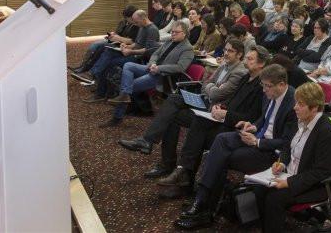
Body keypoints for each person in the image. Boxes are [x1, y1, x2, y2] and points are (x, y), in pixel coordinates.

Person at [174, 64, 297, 229]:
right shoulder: (269, 93)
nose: (264, 91)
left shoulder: (294, 104)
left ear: (282, 84)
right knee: (221, 140)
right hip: (256, 137)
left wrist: (257, 142)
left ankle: (204, 207)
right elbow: (264, 118)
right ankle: (202, 201)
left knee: (222, 158)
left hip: (272, 152)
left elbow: (288, 142)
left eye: (267, 86)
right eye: (263, 86)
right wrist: (252, 125)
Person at [117, 38, 247, 176]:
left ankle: (152, 148)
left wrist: (211, 87)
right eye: (225, 50)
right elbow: (205, 84)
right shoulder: (224, 66)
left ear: (239, 55)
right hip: (205, 101)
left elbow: (216, 94)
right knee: (173, 103)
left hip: (214, 112)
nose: (226, 53)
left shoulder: (239, 72)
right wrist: (211, 87)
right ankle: (156, 152)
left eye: (230, 51)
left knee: (171, 114)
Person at [157, 46, 271, 197]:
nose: (245, 61)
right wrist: (221, 106)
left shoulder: (262, 86)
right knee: (194, 121)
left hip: (237, 128)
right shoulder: (245, 78)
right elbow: (231, 101)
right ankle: (183, 174)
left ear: (261, 64)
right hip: (225, 121)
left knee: (198, 133)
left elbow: (253, 117)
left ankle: (185, 177)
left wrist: (226, 113)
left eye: (250, 59)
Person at [248, 82, 331, 233]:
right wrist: (282, 164)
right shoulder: (301, 120)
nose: (295, 107)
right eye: (296, 103)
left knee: (275, 198)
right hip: (293, 173)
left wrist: (289, 182)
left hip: (316, 184)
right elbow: (287, 147)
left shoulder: (326, 132)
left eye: (300, 104)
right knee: (259, 189)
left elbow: (321, 171)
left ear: (315, 108)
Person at [100, 21, 194, 127]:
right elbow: (156, 54)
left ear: (184, 33)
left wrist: (158, 68)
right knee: (128, 65)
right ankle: (124, 96)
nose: (172, 34)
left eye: (176, 32)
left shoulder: (188, 48)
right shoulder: (170, 41)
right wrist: (152, 63)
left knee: (127, 87)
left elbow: (180, 67)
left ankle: (117, 116)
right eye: (172, 32)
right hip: (152, 68)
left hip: (163, 76)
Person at [84, 9, 160, 103]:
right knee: (108, 53)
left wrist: (130, 52)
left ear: (143, 19)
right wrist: (127, 46)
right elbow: (137, 44)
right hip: (134, 53)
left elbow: (148, 51)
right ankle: (102, 88)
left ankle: (100, 88)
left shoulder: (152, 30)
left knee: (108, 63)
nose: (135, 24)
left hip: (140, 58)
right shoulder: (142, 27)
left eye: (136, 22)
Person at [71, 4, 138, 74]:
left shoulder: (137, 25)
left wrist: (119, 38)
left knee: (100, 47)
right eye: (125, 18)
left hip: (121, 44)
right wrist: (113, 35)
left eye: (127, 18)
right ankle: (84, 67)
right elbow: (118, 33)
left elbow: (132, 41)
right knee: (94, 46)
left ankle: (89, 70)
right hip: (116, 42)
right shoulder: (124, 22)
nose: (126, 19)